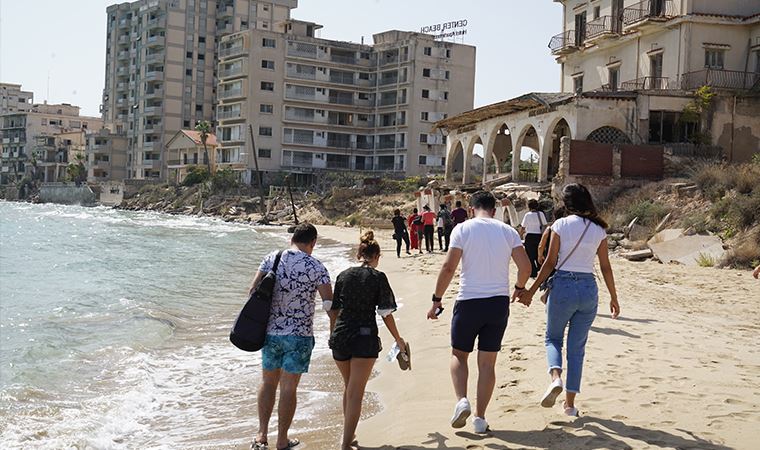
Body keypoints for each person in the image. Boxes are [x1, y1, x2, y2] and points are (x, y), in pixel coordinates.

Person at [427, 191, 531, 433]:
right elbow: (525, 267)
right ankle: (480, 418)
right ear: (494, 211)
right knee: (487, 363)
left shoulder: (462, 229)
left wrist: (436, 300)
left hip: (469, 301)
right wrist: (519, 288)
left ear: (472, 209)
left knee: (459, 355)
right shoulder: (508, 231)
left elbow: (449, 267)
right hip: (498, 303)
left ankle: (462, 400)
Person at [518, 183, 620, 418]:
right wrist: (614, 297)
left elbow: (550, 263)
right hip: (588, 289)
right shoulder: (598, 229)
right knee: (577, 349)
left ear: (566, 203)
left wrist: (531, 291)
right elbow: (605, 267)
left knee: (553, 338)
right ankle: (569, 405)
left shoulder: (561, 225)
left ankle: (555, 378)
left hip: (563, 286)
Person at [249, 223, 333, 450]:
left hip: (271, 334)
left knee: (268, 383)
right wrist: (334, 329)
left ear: (292, 239)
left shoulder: (272, 258)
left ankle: (261, 435)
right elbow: (328, 303)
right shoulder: (316, 266)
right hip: (300, 336)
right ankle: (282, 440)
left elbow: (253, 290)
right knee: (288, 388)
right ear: (313, 242)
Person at [328, 231, 406, 450]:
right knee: (355, 392)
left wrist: (332, 334)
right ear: (377, 256)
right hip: (364, 338)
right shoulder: (377, 277)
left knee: (349, 389)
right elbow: (386, 312)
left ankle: (350, 436)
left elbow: (334, 310)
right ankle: (345, 444)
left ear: (359, 254)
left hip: (341, 337)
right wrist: (398, 339)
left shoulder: (343, 275)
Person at [537, 207, 567, 305]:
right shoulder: (568, 229)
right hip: (562, 259)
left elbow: (541, 244)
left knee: (551, 279)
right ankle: (547, 297)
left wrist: (540, 256)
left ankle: (547, 297)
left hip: (550, 257)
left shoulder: (550, 228)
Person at [521, 199, 548, 278]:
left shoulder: (527, 215)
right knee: (539, 254)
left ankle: (533, 272)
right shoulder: (541, 214)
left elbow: (523, 227)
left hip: (529, 237)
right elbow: (545, 225)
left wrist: (519, 235)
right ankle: (541, 270)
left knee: (530, 256)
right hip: (539, 236)